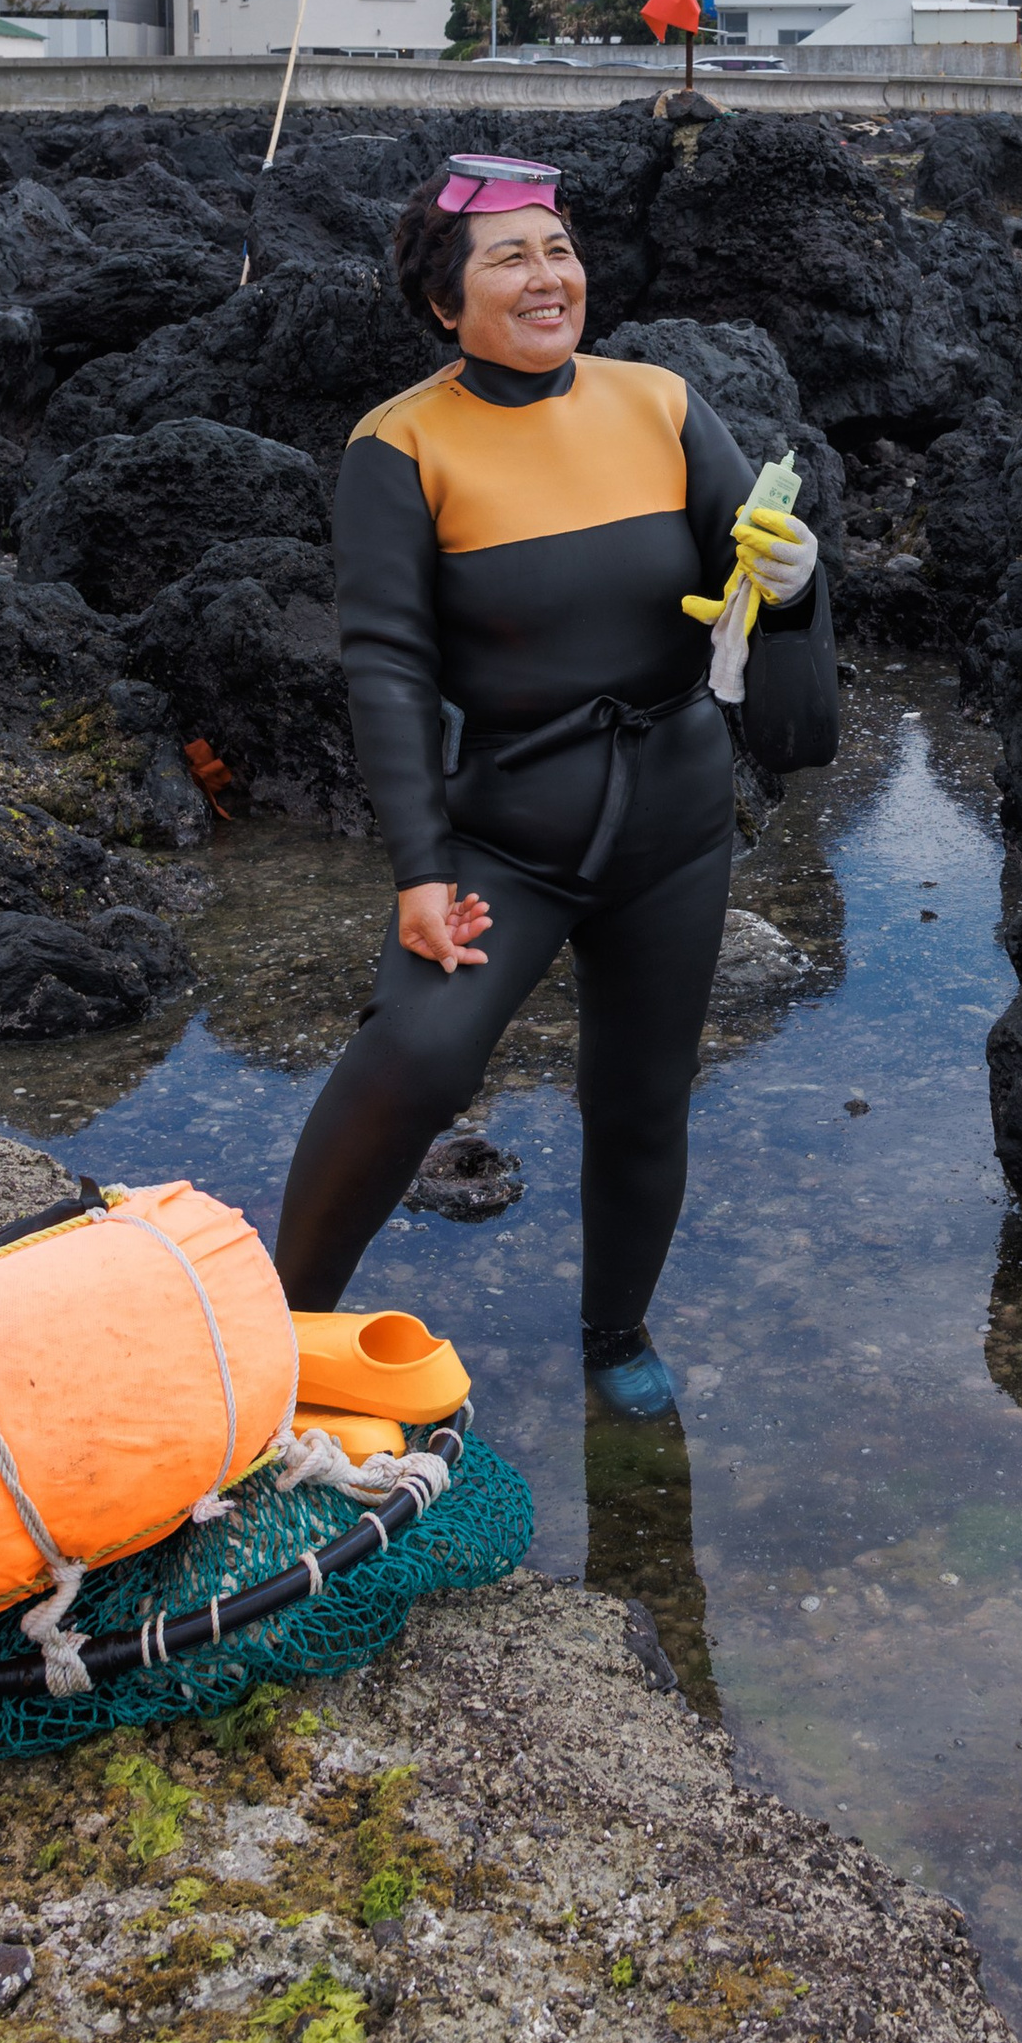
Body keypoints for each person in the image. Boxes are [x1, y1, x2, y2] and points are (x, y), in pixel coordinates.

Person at [275, 152, 838, 1417]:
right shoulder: (400, 445)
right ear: (443, 302)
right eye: (511, 257)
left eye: (561, 249)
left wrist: (796, 582)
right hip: (513, 830)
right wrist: (422, 866)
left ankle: (615, 1335)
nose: (550, 276)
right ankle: (284, 1329)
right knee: (415, 1056)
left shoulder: (659, 402)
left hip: (677, 818)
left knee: (640, 1098)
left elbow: (751, 592)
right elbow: (389, 674)